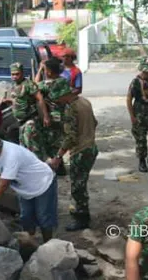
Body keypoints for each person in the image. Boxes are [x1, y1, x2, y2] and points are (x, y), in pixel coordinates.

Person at [49, 79, 98, 231]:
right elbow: (95, 122)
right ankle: (83, 215)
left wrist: (58, 156)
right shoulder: (85, 101)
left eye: (57, 98)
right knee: (80, 183)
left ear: (64, 95)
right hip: (91, 147)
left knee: (78, 187)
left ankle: (81, 219)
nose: (57, 101)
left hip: (81, 151)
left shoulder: (71, 108)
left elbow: (71, 137)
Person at [5, 62, 51, 161]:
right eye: (12, 74)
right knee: (24, 148)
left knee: (33, 148)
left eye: (17, 74)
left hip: (29, 121)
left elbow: (40, 99)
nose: (14, 76)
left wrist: (46, 116)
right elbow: (17, 100)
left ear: (22, 73)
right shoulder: (14, 86)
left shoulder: (29, 84)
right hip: (20, 122)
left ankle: (41, 169)